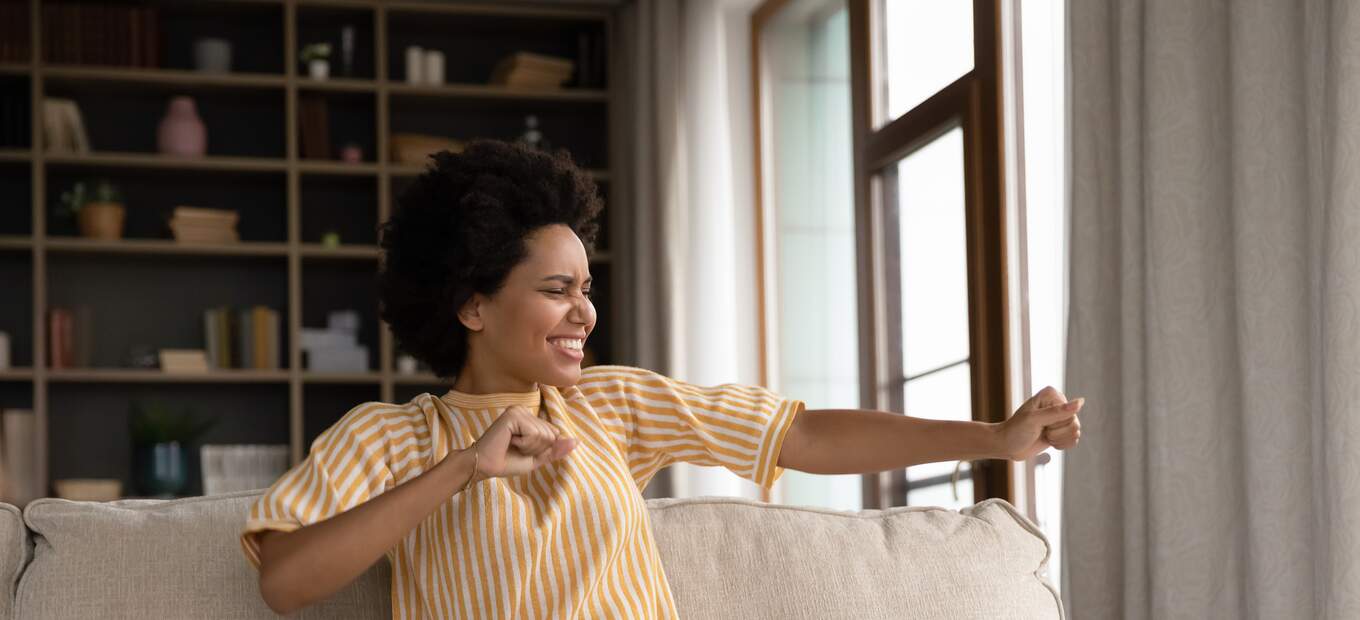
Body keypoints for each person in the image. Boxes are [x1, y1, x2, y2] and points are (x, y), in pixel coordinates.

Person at [240, 139, 1085, 618]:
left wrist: (992, 439)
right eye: (556, 290)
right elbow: (285, 580)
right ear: (471, 306)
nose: (586, 314)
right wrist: (466, 468)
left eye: (587, 289)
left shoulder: (610, 404)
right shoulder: (392, 438)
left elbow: (804, 434)